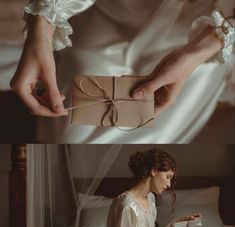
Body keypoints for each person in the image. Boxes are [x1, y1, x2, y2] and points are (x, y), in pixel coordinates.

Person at [10, 0, 235, 143]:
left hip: (204, 39)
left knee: (149, 133)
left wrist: (204, 47)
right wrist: (43, 22)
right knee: (71, 134)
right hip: (113, 18)